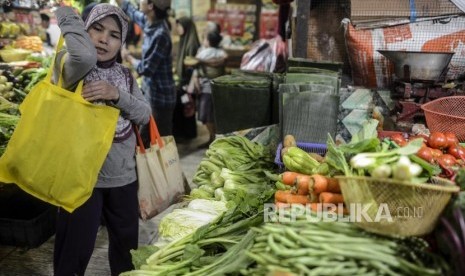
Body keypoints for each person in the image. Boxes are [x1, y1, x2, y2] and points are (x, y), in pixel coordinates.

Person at [51, 4, 151, 276]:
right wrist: (66, 15)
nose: (104, 38)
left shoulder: (125, 76)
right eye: (96, 28)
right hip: (82, 180)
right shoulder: (72, 66)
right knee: (74, 249)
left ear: (122, 42)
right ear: (85, 29)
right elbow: (84, 55)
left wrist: (116, 95)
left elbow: (144, 114)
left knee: (126, 250)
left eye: (114, 34)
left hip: (123, 179)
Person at [117, 0, 176, 137]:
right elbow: (129, 9)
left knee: (159, 140)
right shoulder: (148, 22)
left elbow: (147, 68)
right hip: (150, 92)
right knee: (147, 139)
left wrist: (128, 57)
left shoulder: (161, 34)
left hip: (161, 98)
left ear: (150, 6)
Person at [189, 25, 227, 148]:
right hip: (218, 89)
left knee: (206, 116)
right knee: (213, 115)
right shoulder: (221, 52)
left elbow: (195, 70)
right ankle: (212, 138)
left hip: (206, 89)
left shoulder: (202, 54)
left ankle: (213, 138)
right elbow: (223, 59)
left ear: (208, 41)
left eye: (205, 38)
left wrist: (196, 83)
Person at [172, 16, 200, 141]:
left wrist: (186, 84)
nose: (177, 28)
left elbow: (193, 66)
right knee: (184, 106)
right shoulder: (183, 41)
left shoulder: (192, 44)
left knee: (187, 106)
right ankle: (185, 133)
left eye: (179, 26)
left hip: (188, 82)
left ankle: (187, 133)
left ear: (186, 27)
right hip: (182, 80)